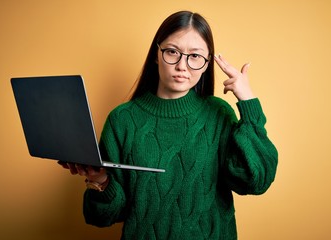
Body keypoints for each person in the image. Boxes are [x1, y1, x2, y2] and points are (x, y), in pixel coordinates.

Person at [59, 10, 278, 239]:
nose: (182, 65)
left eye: (195, 56)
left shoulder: (218, 114)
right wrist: (99, 181)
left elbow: (256, 181)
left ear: (205, 65)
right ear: (156, 54)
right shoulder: (122, 120)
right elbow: (101, 218)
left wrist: (249, 102)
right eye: (172, 52)